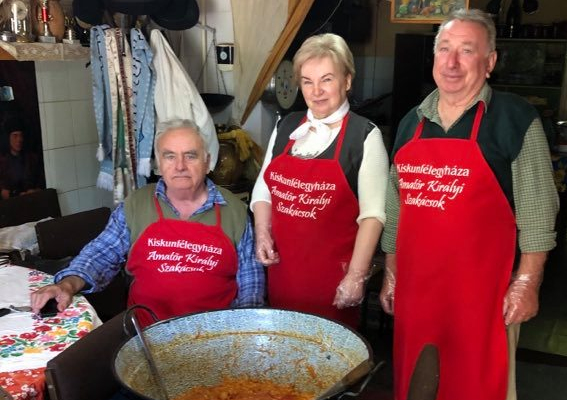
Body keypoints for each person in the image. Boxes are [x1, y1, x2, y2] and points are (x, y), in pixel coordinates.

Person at [379, 9, 559, 400]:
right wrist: (391, 271)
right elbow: (396, 209)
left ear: (490, 61)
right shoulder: (412, 122)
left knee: (478, 383)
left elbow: (538, 212)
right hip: (417, 291)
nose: (452, 62)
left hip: (483, 296)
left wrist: (527, 282)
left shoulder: (514, 119)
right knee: (416, 383)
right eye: (444, 49)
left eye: (467, 50)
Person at [31, 119, 265, 326]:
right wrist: (67, 285)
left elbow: (250, 283)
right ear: (158, 165)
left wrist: (244, 333)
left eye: (190, 155)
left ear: (207, 161)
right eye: (170, 156)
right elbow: (101, 254)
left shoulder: (234, 210)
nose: (180, 166)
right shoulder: (137, 204)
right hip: (145, 337)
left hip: (216, 338)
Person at [251, 33, 389, 327]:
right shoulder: (286, 126)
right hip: (283, 273)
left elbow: (373, 216)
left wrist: (355, 276)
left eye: (327, 79)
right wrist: (262, 233)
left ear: (347, 81)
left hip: (333, 282)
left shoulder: (364, 135)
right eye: (307, 81)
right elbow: (263, 191)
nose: (317, 92)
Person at [0, 118, 44, 199]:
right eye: (15, 136)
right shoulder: (2, 162)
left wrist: (35, 191)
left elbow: (41, 182)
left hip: (33, 200)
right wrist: (18, 195)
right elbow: (3, 192)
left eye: (21, 135)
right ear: (8, 138)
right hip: (11, 205)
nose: (19, 140)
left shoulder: (32, 159)